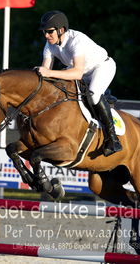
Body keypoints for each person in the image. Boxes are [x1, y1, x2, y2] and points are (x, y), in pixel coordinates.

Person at [37, 10, 122, 157]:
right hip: (82, 71)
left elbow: (76, 73)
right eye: (44, 32)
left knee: (93, 95)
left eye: (50, 32)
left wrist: (49, 73)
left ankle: (112, 139)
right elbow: (46, 70)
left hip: (102, 67)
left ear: (61, 30)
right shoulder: (49, 44)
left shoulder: (77, 40)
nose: (46, 35)